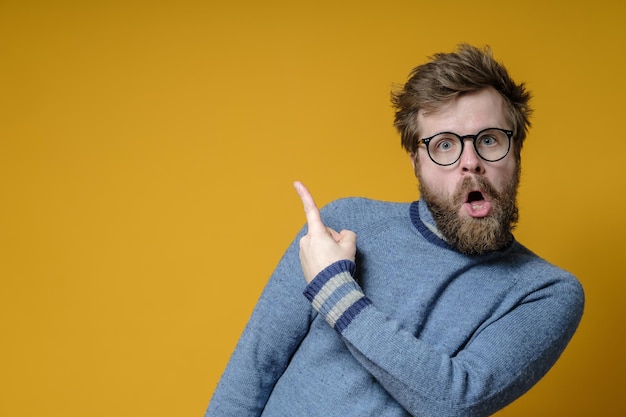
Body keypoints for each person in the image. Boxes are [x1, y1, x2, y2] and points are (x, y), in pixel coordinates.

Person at [204, 44, 584, 417]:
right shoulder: (344, 223)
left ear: (516, 150)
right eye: (445, 145)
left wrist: (334, 290)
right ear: (416, 160)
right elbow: (253, 369)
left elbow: (454, 401)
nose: (471, 163)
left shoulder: (545, 292)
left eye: (489, 140)